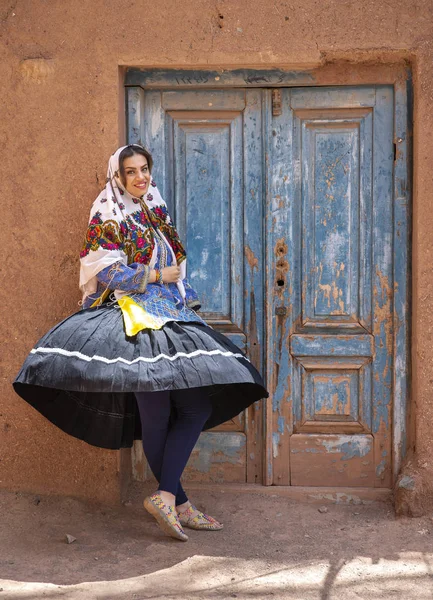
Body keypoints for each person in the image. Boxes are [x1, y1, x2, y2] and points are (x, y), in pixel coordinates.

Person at [13, 145, 268, 542]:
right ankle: (176, 502)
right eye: (130, 172)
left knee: (194, 405)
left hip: (171, 315)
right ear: (117, 176)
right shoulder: (107, 213)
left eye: (144, 169)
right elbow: (108, 271)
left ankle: (169, 498)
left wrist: (179, 292)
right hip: (132, 318)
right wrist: (156, 277)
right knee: (155, 410)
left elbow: (177, 268)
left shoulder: (154, 210)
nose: (140, 178)